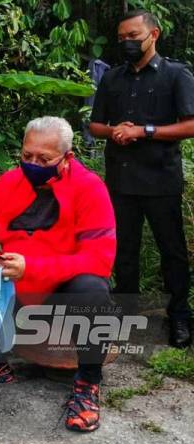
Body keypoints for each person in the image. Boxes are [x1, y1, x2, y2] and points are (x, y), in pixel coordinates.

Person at [0, 117, 116, 432]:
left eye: (44, 159)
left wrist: (33, 267)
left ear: (68, 157)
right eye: (27, 156)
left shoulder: (89, 188)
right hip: (15, 292)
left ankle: (88, 383)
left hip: (60, 299)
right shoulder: (9, 182)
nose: (33, 164)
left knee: (92, 287)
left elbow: (99, 260)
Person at [90, 9, 194, 348]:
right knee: (124, 250)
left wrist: (144, 131)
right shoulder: (112, 78)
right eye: (122, 38)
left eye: (133, 36)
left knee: (172, 250)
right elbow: (95, 125)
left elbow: (190, 124)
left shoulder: (176, 75)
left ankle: (179, 316)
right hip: (120, 180)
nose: (127, 43)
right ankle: (125, 313)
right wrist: (117, 131)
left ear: (154, 35)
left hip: (161, 179)